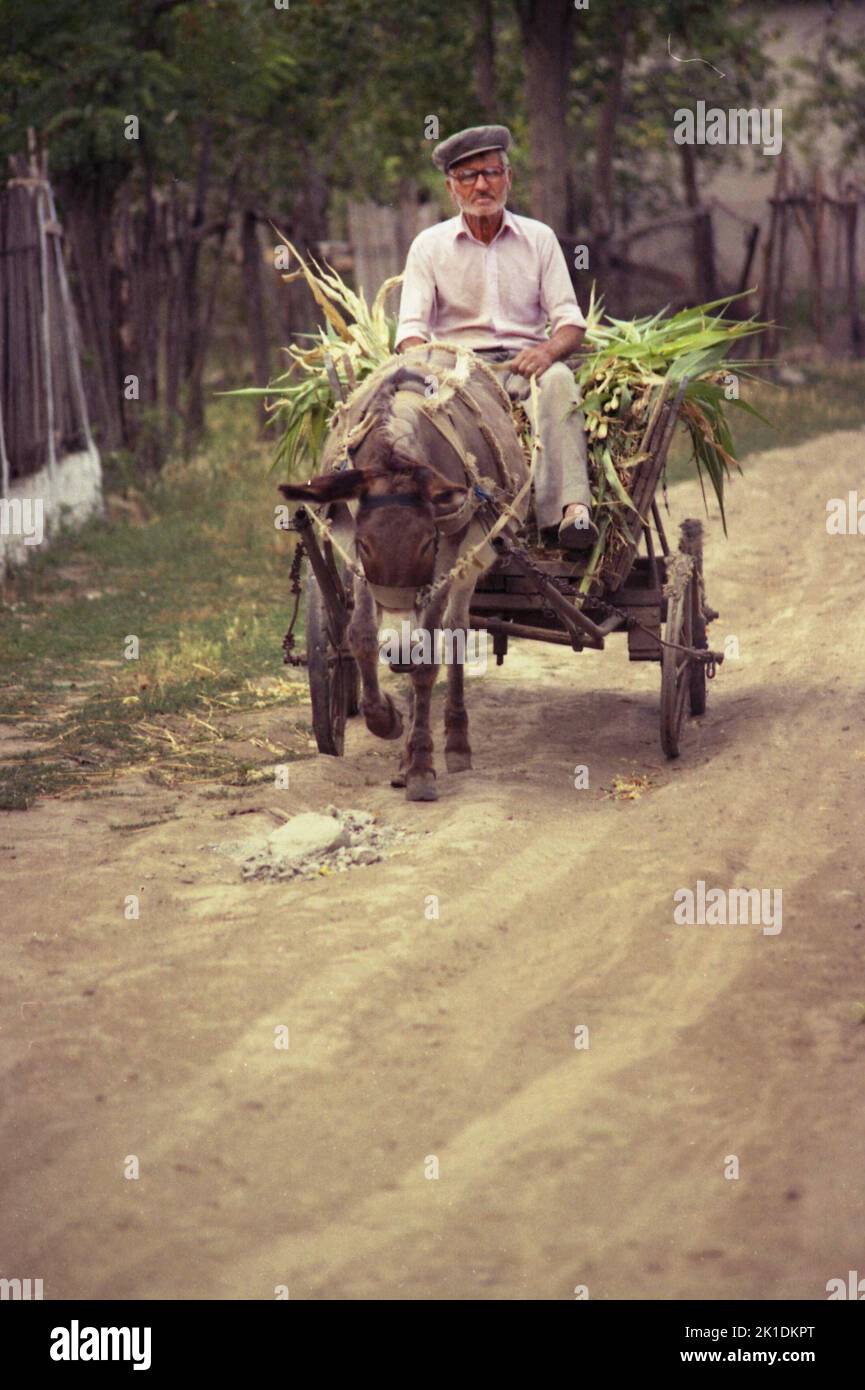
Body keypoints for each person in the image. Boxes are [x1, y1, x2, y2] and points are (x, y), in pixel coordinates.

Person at [396, 123, 598, 550]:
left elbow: (570, 321)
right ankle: (453, 521)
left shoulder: (539, 239)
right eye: (468, 177)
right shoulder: (429, 247)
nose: (481, 185)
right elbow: (411, 332)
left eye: (491, 172)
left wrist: (547, 351)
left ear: (509, 178)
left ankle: (571, 512)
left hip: (525, 365)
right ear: (452, 189)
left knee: (561, 381)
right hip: (458, 370)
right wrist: (430, 377)